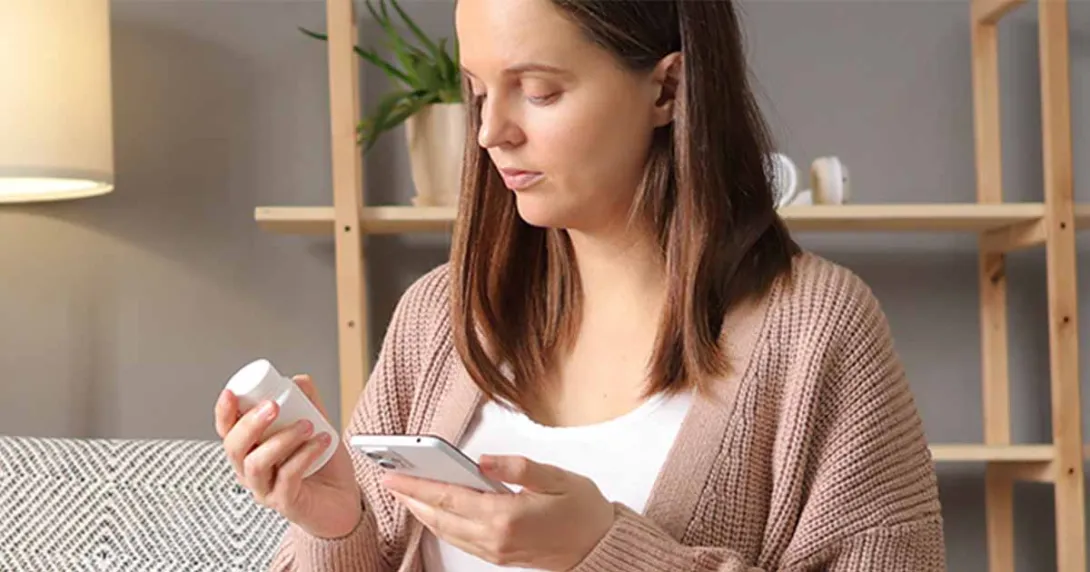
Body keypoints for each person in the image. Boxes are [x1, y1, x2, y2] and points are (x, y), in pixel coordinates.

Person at [215, 0, 947, 570]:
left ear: (666, 89)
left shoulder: (816, 330)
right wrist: (337, 525)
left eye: (537, 91)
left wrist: (602, 553)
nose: (490, 132)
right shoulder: (440, 317)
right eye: (476, 92)